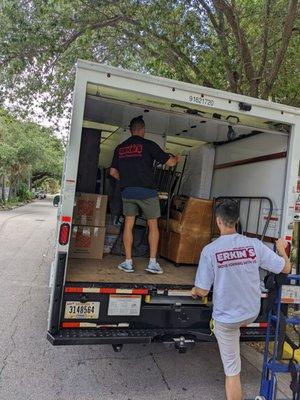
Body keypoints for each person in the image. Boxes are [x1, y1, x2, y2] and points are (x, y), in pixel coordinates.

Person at [191, 199, 291, 400]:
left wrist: (194, 290)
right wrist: (281, 249)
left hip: (227, 320)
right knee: (234, 326)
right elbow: (286, 269)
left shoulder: (210, 250)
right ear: (236, 220)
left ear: (218, 221)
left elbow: (202, 291)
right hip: (251, 313)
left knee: (232, 372)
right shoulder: (254, 245)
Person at [110, 116, 180, 274]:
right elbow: (170, 163)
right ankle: (153, 264)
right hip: (147, 192)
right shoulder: (148, 145)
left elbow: (113, 172)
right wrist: (177, 158)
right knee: (153, 225)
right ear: (142, 130)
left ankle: (128, 263)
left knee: (129, 225)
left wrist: (127, 178)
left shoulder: (120, 148)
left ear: (130, 130)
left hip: (128, 191)